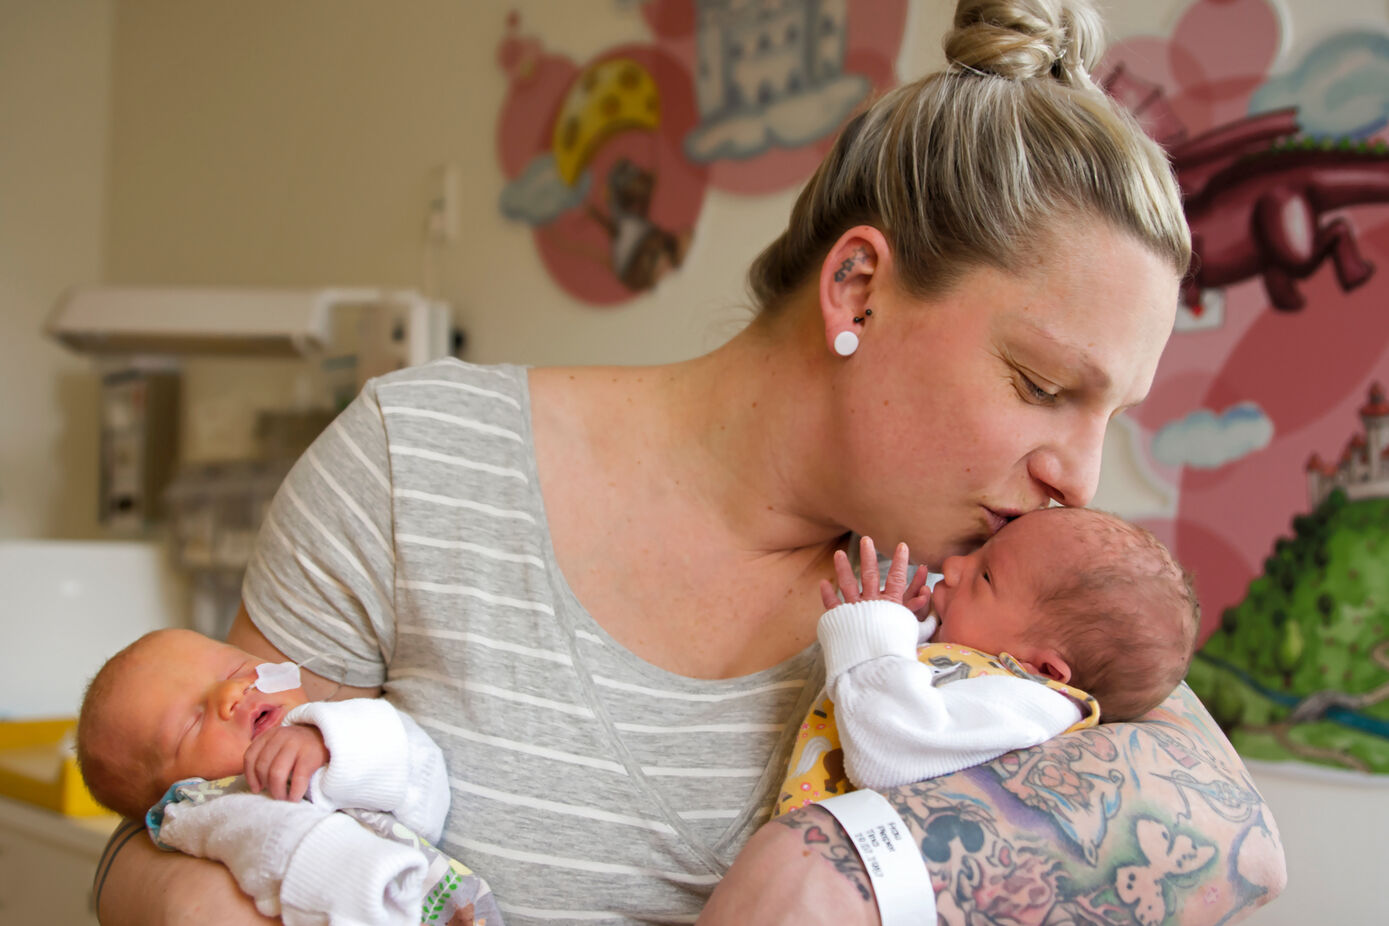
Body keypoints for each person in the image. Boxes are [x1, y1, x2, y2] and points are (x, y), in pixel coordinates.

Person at [94, 0, 1287, 923]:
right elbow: (173, 814)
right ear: (857, 286)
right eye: (1040, 385)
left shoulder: (995, 592)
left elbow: (1237, 834)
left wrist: (822, 866)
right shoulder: (420, 470)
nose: (1077, 473)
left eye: (1110, 414)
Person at [778, 513, 1199, 817]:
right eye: (978, 553)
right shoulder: (993, 666)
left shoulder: (1031, 706)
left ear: (1044, 671)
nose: (956, 566)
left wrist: (875, 637)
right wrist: (899, 626)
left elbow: (891, 751)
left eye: (986, 577)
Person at [77, 628, 501, 925]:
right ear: (172, 795)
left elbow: (424, 787)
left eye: (234, 667)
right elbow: (295, 851)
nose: (231, 693)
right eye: (191, 724)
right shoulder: (220, 807)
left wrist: (332, 742)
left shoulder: (332, 728)